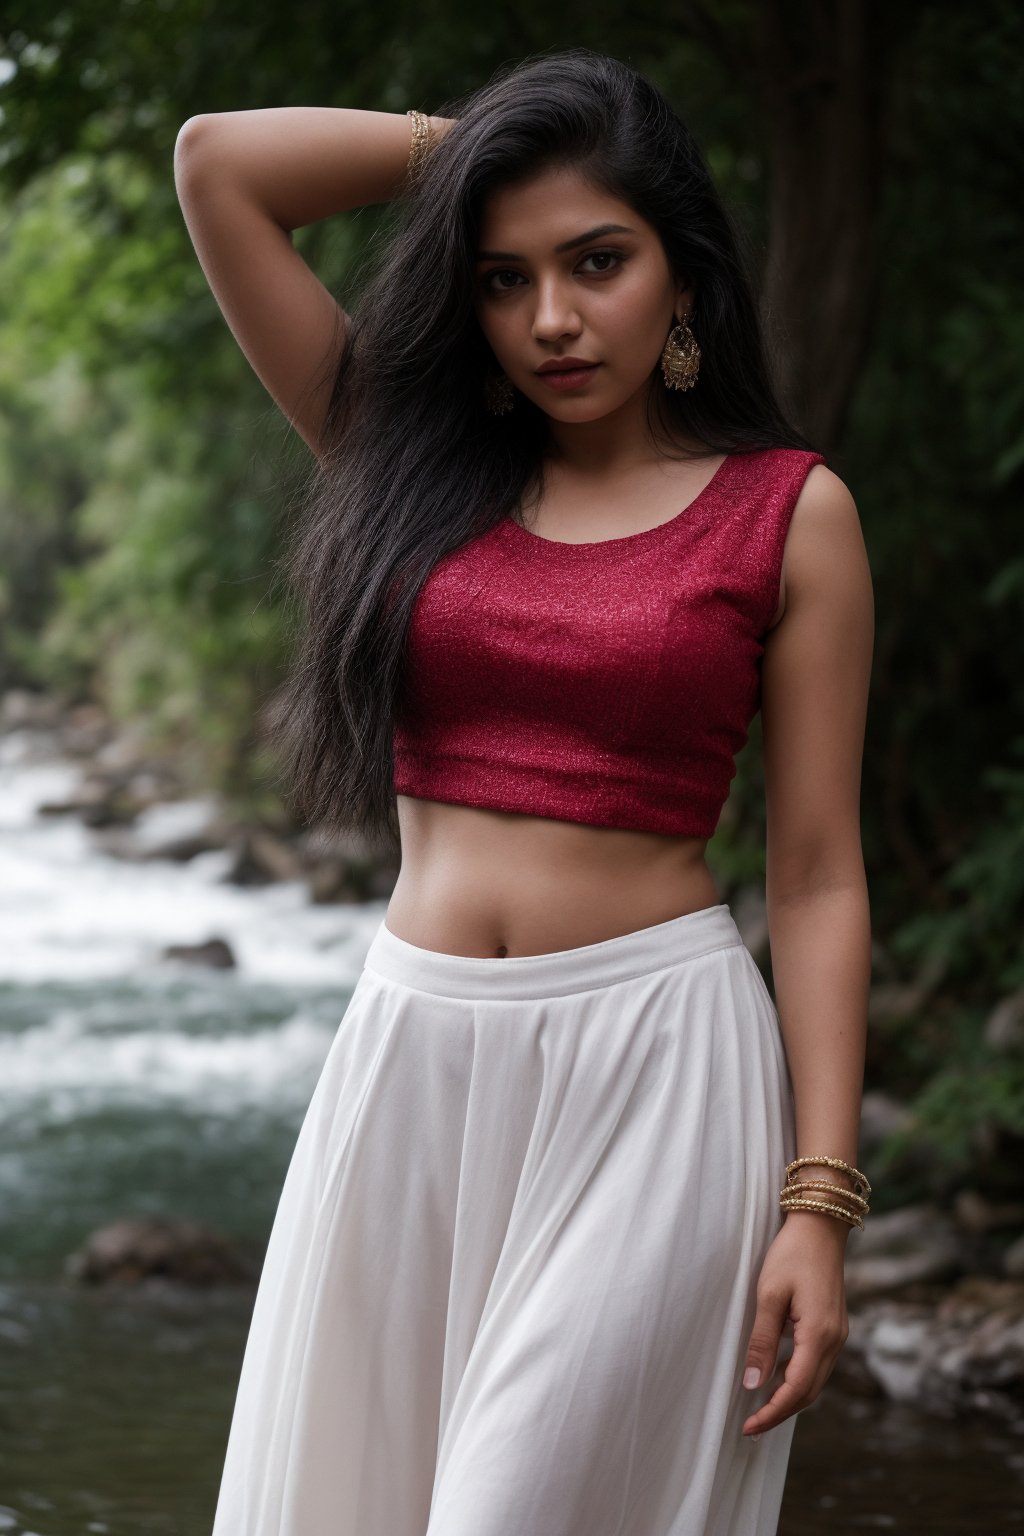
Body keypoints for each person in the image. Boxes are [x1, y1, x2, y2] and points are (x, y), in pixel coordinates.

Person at [174, 46, 874, 1536]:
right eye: (504, 277)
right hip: (412, 1062)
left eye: (599, 261)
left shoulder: (789, 515)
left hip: (655, 1078)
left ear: (684, 276)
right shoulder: (406, 461)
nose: (551, 318)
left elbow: (816, 875)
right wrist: (481, 144)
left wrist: (819, 1203)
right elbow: (218, 164)